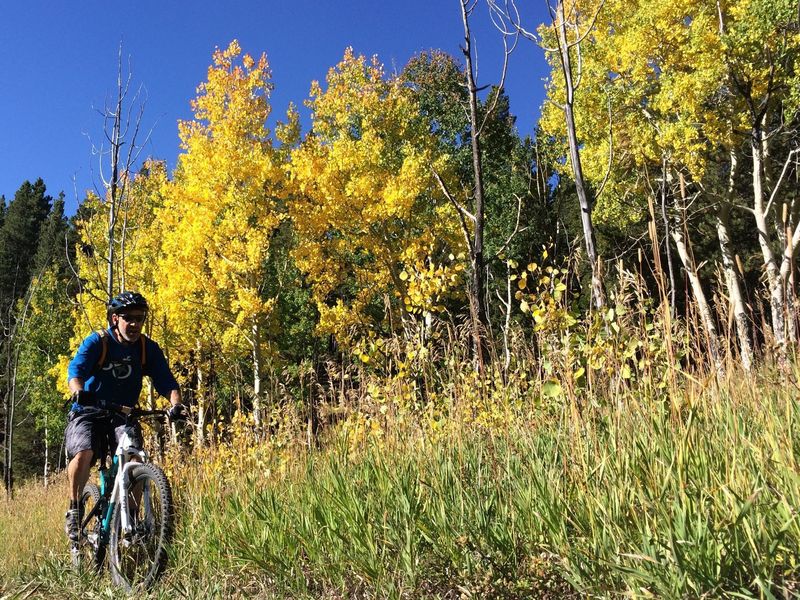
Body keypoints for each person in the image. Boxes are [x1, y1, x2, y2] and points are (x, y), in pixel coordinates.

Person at [63, 291, 184, 543]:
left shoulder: (146, 348)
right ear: (114, 319)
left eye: (140, 318)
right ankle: (75, 509)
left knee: (136, 456)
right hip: (89, 411)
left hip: (123, 414)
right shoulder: (98, 342)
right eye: (128, 318)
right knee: (84, 451)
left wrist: (176, 406)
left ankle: (130, 518)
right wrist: (78, 392)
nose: (135, 324)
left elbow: (167, 382)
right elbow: (76, 371)